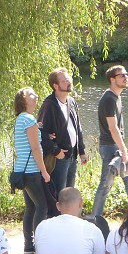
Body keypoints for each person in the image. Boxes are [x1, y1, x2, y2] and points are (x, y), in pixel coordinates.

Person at [92, 65, 128, 220]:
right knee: (105, 185)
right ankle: (95, 219)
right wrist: (124, 150)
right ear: (112, 79)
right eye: (122, 75)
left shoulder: (116, 97)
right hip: (111, 148)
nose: (126, 77)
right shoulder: (109, 99)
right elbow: (113, 128)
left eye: (127, 74)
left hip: (116, 147)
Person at [37, 68, 88, 199]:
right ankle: (56, 217)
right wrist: (55, 151)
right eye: (65, 81)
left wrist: (81, 151)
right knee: (59, 194)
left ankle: (68, 217)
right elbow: (41, 132)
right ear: (55, 85)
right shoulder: (49, 105)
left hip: (72, 156)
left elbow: (78, 128)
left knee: (70, 192)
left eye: (69, 79)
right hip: (59, 158)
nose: (69, 82)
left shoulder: (71, 102)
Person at [14, 87, 53, 253]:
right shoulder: (29, 120)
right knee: (42, 207)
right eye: (31, 94)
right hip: (31, 171)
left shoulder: (21, 119)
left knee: (31, 207)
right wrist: (44, 171)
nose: (35, 96)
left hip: (21, 170)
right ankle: (39, 244)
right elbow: (36, 149)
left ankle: (28, 244)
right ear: (23, 100)